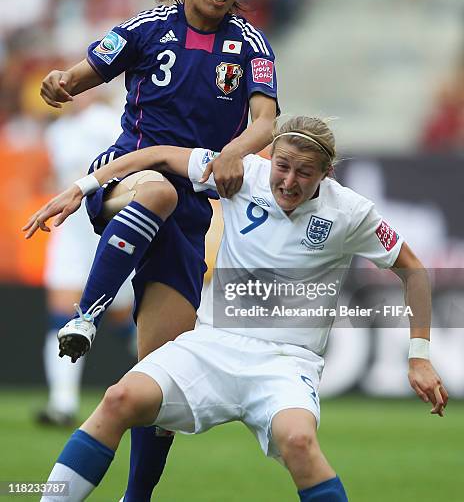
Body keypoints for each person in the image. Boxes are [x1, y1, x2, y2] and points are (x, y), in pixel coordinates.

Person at [25, 116, 448, 502]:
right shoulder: (243, 172)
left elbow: (413, 269)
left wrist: (420, 357)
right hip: (214, 342)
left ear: (327, 173)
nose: (289, 181)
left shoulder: (350, 212)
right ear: (272, 155)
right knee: (119, 399)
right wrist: (82, 188)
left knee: (299, 443)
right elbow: (156, 155)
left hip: (286, 362)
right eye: (283, 165)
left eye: (305, 172)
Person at [38, 0, 278, 500]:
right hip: (125, 175)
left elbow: (266, 120)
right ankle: (86, 317)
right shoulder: (146, 27)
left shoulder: (250, 43)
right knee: (160, 190)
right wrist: (58, 83)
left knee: (159, 382)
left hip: (190, 215)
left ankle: (135, 496)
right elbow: (80, 73)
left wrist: (235, 153)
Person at [38, 95, 134, 426]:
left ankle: (165, 378)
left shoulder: (112, 121)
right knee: (62, 312)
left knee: (124, 318)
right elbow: (54, 176)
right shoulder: (58, 131)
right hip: (70, 233)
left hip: (106, 228)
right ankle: (62, 403)